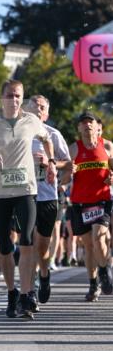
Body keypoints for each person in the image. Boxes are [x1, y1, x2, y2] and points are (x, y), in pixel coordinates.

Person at [0, 79, 54, 319]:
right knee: (5, 246)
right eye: (10, 95)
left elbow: (47, 138)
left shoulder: (31, 121)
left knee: (27, 240)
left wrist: (50, 162)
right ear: (2, 98)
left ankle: (27, 295)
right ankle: (12, 292)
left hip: (26, 189)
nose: (14, 99)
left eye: (18, 95)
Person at [25, 95, 71, 305]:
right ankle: (29, 290)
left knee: (42, 245)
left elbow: (69, 164)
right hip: (24, 195)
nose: (37, 109)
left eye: (41, 107)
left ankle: (44, 275)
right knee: (27, 243)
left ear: (46, 114)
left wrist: (50, 162)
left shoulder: (53, 135)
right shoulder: (18, 134)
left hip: (47, 196)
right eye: (33, 106)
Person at [64, 111, 113, 302]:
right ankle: (93, 284)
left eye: (90, 122)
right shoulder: (73, 149)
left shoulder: (107, 146)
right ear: (79, 128)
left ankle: (104, 270)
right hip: (80, 203)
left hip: (102, 200)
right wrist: (69, 172)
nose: (87, 125)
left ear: (96, 126)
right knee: (89, 246)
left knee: (98, 238)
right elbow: (64, 178)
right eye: (83, 123)